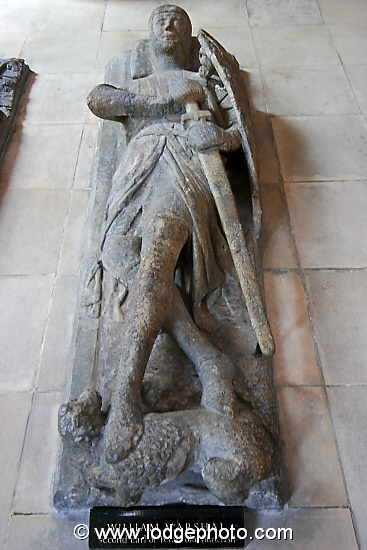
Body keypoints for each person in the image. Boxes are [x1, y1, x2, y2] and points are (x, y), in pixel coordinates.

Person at [87, 4, 245, 464]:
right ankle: (210, 363)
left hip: (180, 164)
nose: (168, 22)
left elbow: (239, 133)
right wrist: (160, 101)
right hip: (136, 166)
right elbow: (99, 100)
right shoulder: (132, 81)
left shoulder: (203, 81)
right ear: (148, 36)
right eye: (160, 17)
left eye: (178, 17)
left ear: (189, 35)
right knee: (117, 252)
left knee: (156, 260)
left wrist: (217, 137)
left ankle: (126, 396)